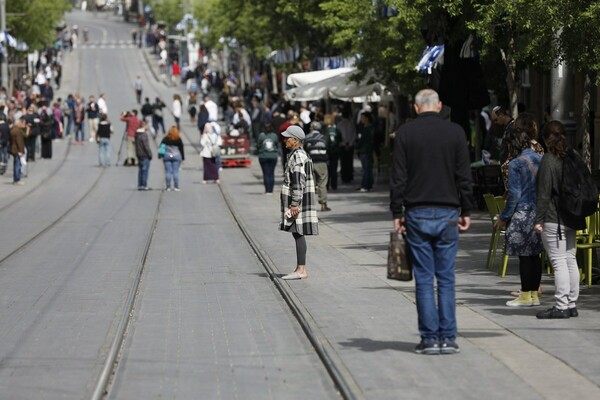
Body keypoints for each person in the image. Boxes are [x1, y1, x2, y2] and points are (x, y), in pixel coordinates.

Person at [390, 89, 473, 355]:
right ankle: (448, 338)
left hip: (417, 212)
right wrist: (466, 209)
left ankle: (429, 340)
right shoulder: (456, 133)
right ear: (439, 106)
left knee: (424, 279)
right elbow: (464, 175)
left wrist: (396, 212)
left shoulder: (404, 134)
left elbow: (398, 177)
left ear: (415, 108)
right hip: (448, 212)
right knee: (446, 278)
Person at [534, 121, 586, 319]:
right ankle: (571, 303)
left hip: (554, 217)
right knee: (570, 259)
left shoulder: (549, 159)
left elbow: (544, 193)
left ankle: (561, 305)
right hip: (572, 215)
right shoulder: (573, 156)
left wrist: (538, 219)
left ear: (547, 139)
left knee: (558, 261)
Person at [495, 128, 544, 307]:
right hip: (539, 212)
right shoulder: (540, 159)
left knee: (524, 256)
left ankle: (524, 295)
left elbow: (514, 194)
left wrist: (504, 216)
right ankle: (534, 295)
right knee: (535, 255)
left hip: (523, 213)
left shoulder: (516, 164)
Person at [279, 125, 318, 280]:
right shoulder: (297, 154)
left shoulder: (298, 156)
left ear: (295, 140)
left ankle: (301, 270)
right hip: (297, 201)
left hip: (298, 202)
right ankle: (299, 268)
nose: (284, 140)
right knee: (297, 232)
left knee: (298, 232)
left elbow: (298, 181)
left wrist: (294, 203)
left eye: (287, 137)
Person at [304, 121, 331, 211]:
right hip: (322, 163)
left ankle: (309, 206)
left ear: (311, 128)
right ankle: (323, 204)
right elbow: (330, 149)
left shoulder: (306, 138)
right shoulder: (325, 137)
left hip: (310, 162)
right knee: (322, 183)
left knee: (309, 185)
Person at [160, 126, 185, 191]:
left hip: (167, 156)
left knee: (168, 172)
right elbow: (181, 149)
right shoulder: (178, 139)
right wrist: (183, 158)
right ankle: (176, 187)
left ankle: (168, 187)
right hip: (176, 156)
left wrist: (161, 155)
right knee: (175, 172)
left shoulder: (165, 139)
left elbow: (161, 147)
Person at [257, 123, 279, 195]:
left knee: (266, 173)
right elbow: (276, 144)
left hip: (263, 156)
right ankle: (271, 190)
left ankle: (267, 190)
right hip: (273, 156)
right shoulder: (274, 136)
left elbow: (258, 145)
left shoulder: (261, 136)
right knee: (271, 173)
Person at [356, 111, 374, 192]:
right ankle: (368, 184)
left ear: (367, 118)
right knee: (368, 168)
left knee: (366, 168)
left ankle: (365, 185)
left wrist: (358, 145)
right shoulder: (368, 128)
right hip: (367, 150)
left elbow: (362, 140)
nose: (361, 119)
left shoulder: (367, 129)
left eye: (362, 118)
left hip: (365, 150)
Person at [337, 108, 356, 184]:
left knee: (343, 162)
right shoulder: (352, 124)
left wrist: (343, 143)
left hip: (342, 145)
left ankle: (344, 176)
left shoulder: (339, 125)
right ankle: (349, 176)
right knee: (350, 161)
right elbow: (354, 135)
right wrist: (350, 143)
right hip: (350, 145)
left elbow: (338, 136)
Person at [324, 113, 342, 191]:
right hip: (335, 152)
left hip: (327, 152)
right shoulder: (337, 130)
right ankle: (334, 185)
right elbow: (340, 140)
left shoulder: (325, 130)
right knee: (334, 169)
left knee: (326, 169)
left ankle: (327, 185)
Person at [134, 122, 152, 190]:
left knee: (140, 170)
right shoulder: (144, 135)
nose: (147, 127)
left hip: (139, 154)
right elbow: (146, 146)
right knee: (145, 171)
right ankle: (144, 185)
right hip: (145, 155)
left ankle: (140, 184)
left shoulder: (137, 134)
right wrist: (150, 154)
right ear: (144, 126)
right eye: (147, 125)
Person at [10, 117, 26, 185]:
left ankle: (15, 179)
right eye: (20, 123)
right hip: (17, 150)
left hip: (13, 149)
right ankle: (17, 179)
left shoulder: (13, 130)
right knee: (18, 164)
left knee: (15, 164)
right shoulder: (18, 131)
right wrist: (21, 151)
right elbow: (20, 142)